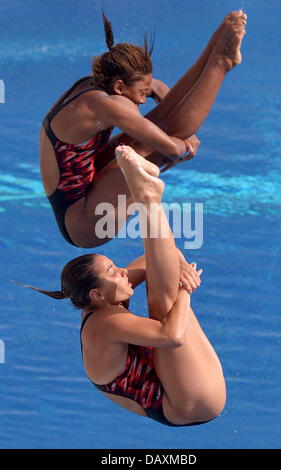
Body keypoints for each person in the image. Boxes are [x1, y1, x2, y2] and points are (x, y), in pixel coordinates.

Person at [27, 145, 226, 426]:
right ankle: (147, 198)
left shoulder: (102, 297)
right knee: (164, 304)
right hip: (187, 405)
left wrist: (178, 267)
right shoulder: (105, 323)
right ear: (96, 293)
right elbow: (172, 336)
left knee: (160, 279)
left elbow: (156, 259)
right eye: (113, 272)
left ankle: (145, 195)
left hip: (189, 384)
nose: (122, 271)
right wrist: (185, 290)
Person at [39, 9, 247, 248]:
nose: (143, 100)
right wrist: (183, 145)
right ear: (119, 86)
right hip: (86, 223)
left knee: (156, 128)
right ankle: (221, 63)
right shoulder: (110, 105)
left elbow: (156, 88)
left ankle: (214, 47)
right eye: (140, 93)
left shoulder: (98, 82)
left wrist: (181, 134)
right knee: (156, 140)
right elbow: (171, 149)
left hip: (85, 184)